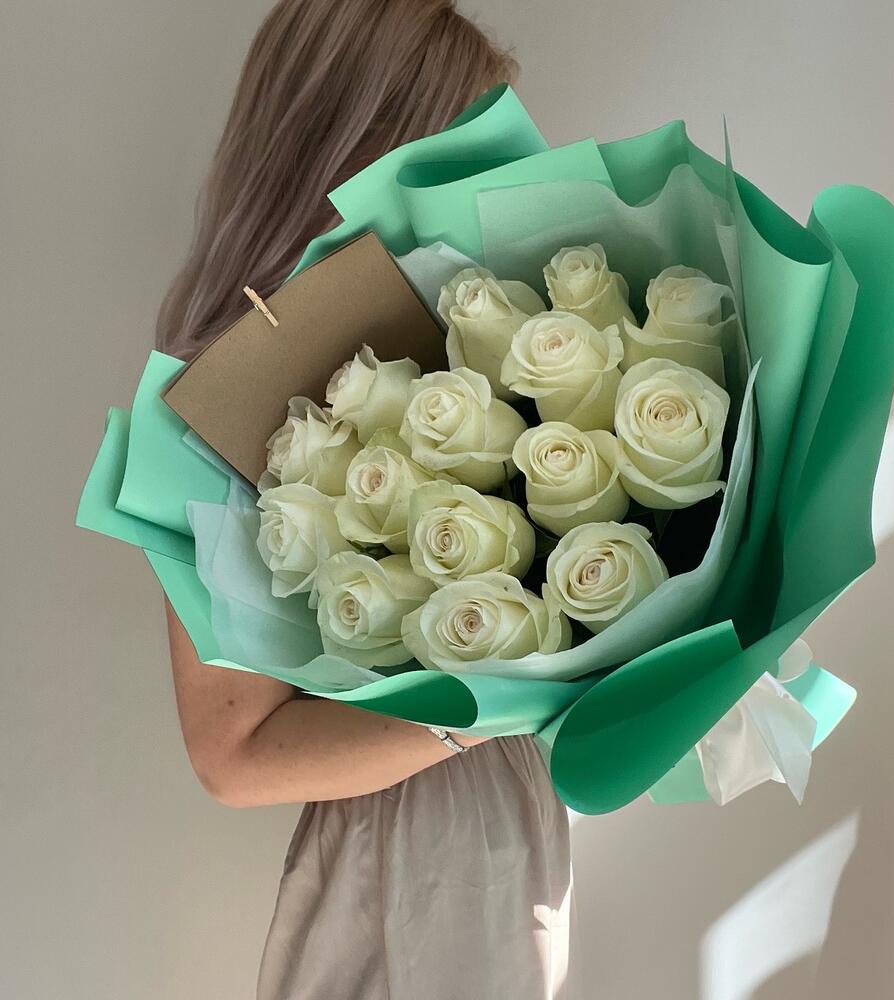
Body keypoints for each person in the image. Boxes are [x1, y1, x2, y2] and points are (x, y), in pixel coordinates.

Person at [155, 2, 579, 998]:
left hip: (503, 836)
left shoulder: (460, 325)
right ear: (350, 147)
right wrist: (491, 705)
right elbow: (233, 754)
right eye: (460, 150)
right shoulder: (220, 391)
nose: (487, 183)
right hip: (406, 866)